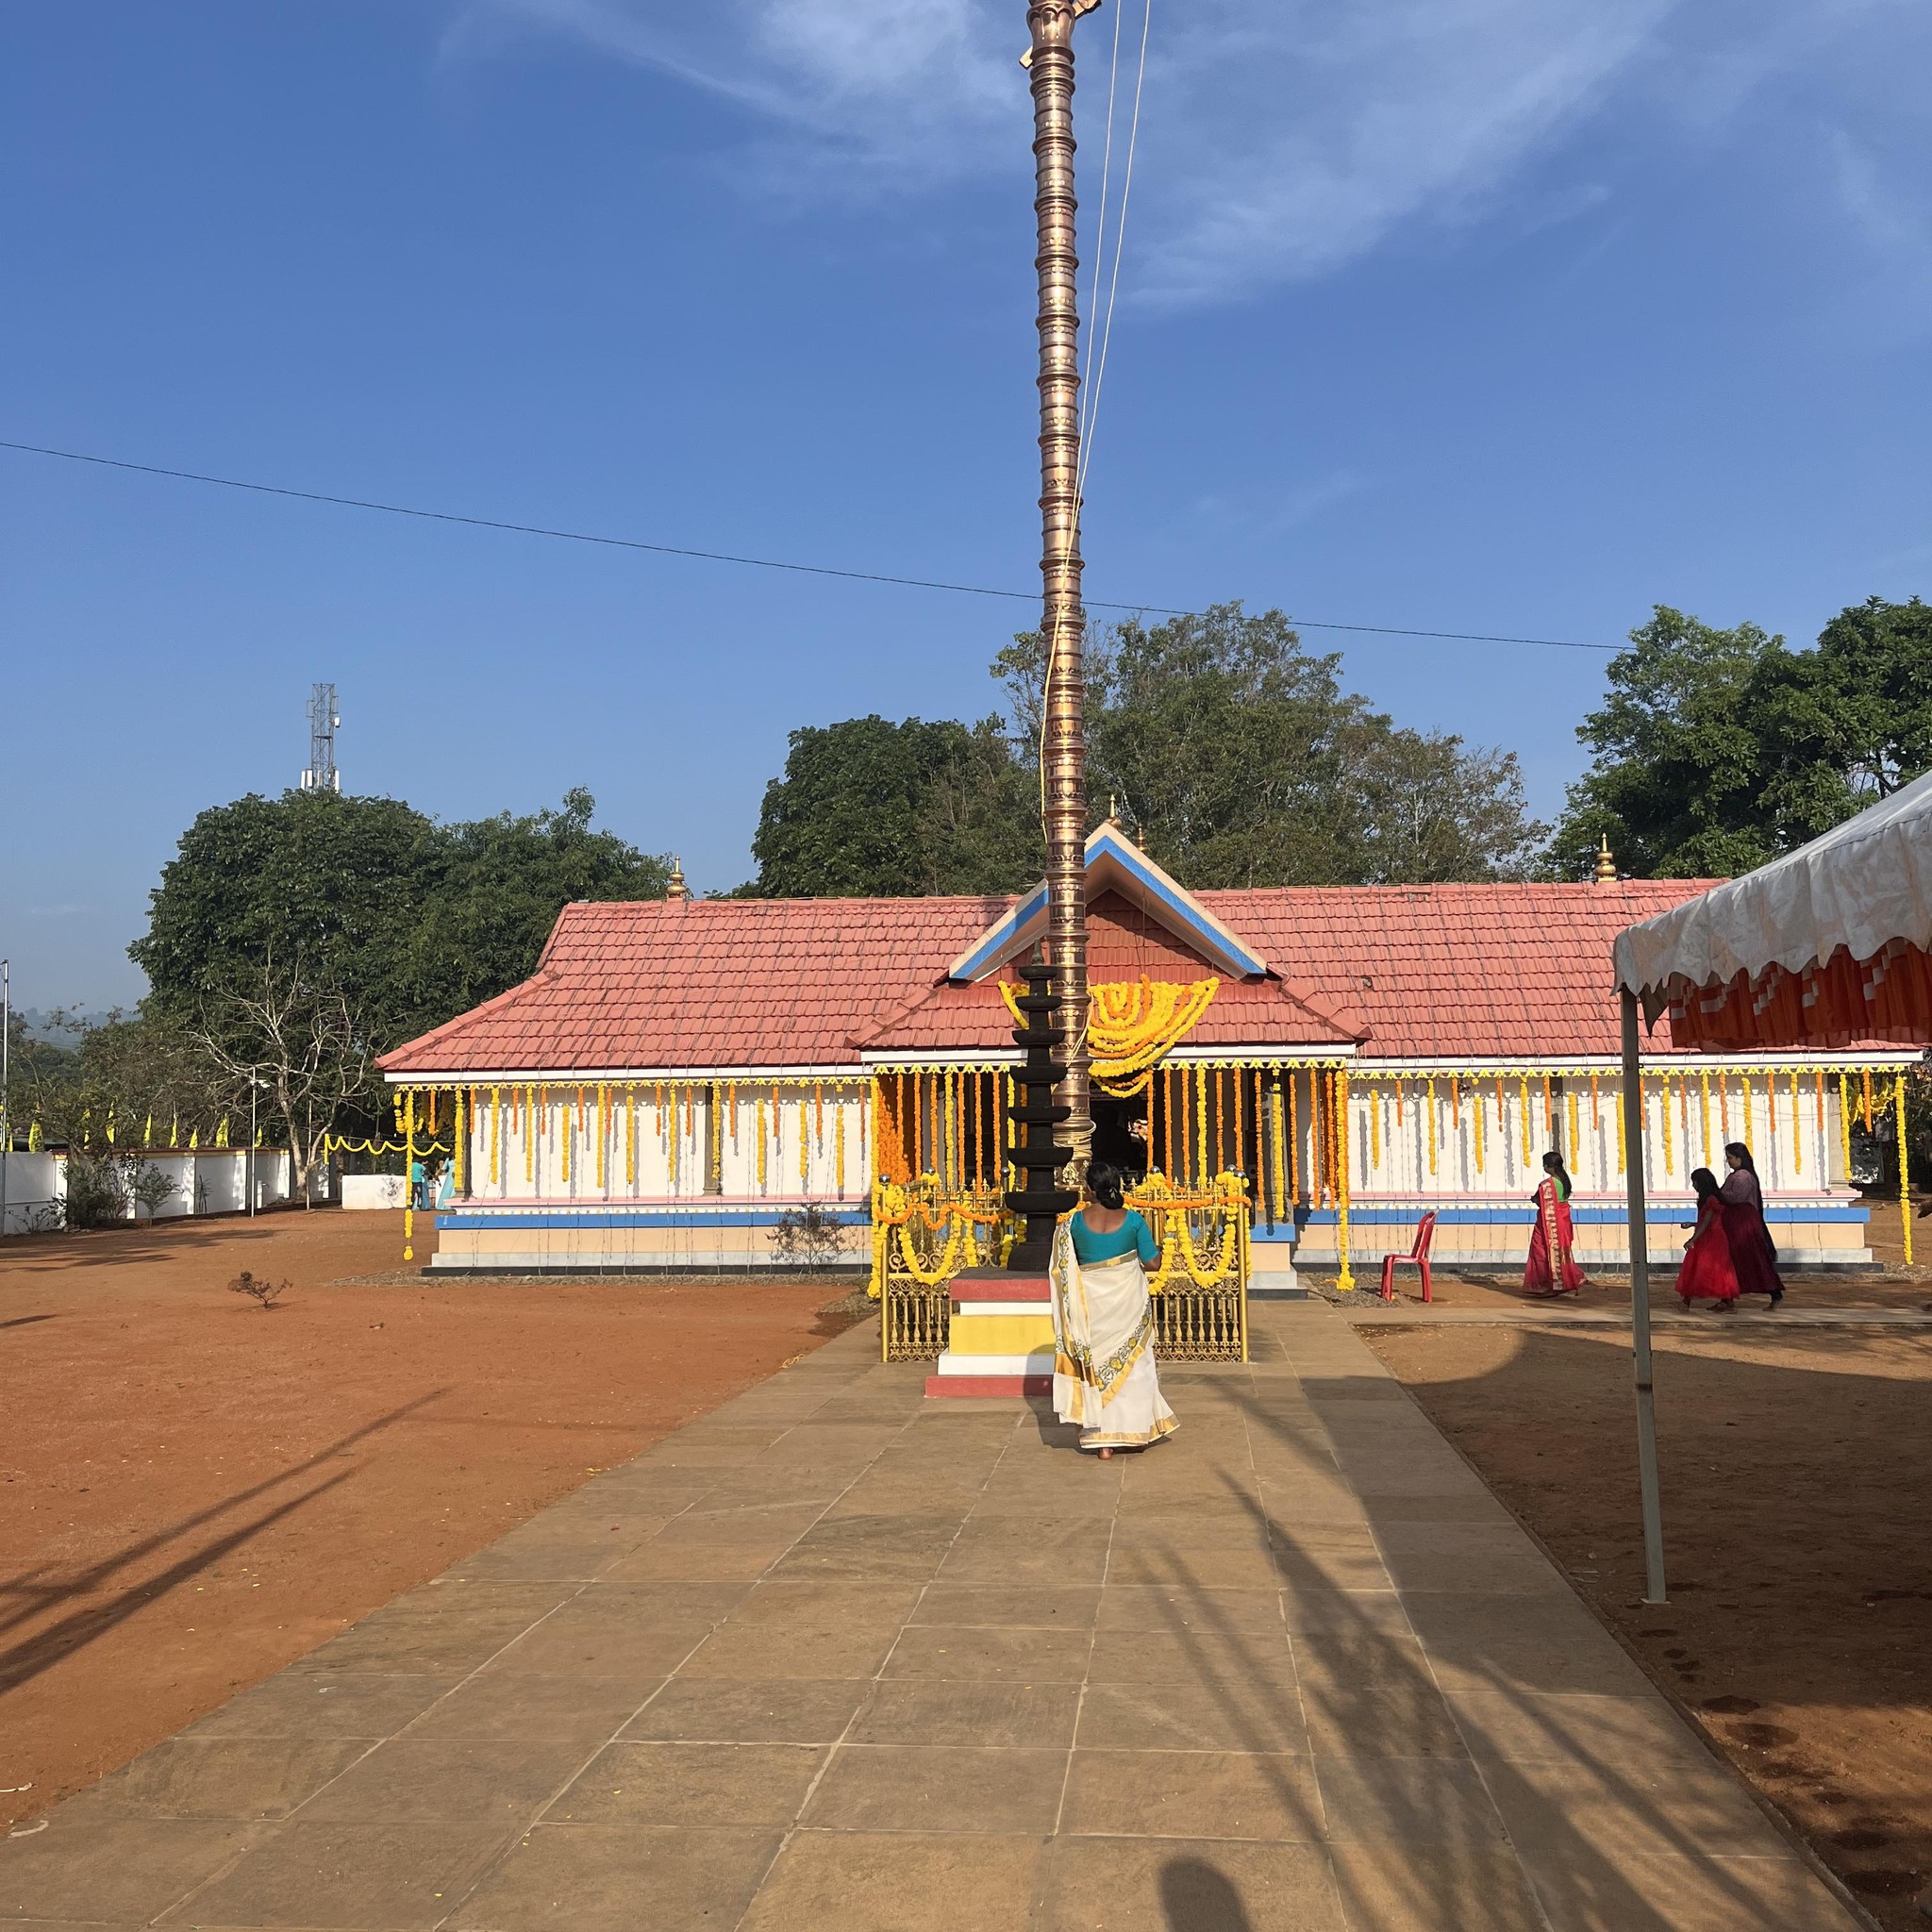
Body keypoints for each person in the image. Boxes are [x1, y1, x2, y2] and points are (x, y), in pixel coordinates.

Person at [1049, 1159, 1178, 1458]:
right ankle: (1133, 1435)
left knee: (1096, 1368)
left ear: (1089, 1189)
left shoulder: (1074, 1224)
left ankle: (1101, 1442)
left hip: (1091, 1307)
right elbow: (1153, 1263)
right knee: (1135, 1368)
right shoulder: (1133, 1221)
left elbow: (1066, 1270)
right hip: (1128, 1303)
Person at [1719, 1141, 1786, 1308]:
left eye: (1730, 1158)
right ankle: (1727, 1298)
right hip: (1738, 1223)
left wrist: (1716, 1194)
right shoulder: (1739, 1175)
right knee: (1737, 1260)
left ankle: (1774, 1293)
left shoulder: (1743, 1177)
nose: (1729, 1161)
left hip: (1743, 1224)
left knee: (1752, 1259)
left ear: (1740, 1158)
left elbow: (1735, 1197)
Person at [1524, 1151, 1589, 1297]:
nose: (1543, 1168)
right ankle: (1572, 1279)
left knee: (1540, 1251)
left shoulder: (1547, 1185)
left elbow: (1541, 1202)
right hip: (1563, 1222)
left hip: (1548, 1225)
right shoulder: (1565, 1181)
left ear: (1549, 1166)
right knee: (1560, 1252)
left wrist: (1534, 1200)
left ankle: (1550, 1285)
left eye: (1544, 1165)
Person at [1676, 1167, 1740, 1310]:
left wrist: (1692, 1239)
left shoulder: (1711, 1200)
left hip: (1712, 1238)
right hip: (1710, 1235)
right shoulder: (1709, 1200)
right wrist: (1692, 1224)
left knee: (1701, 1267)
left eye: (1695, 1182)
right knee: (1713, 1268)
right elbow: (1705, 1221)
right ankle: (1727, 1301)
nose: (1693, 1185)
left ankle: (1687, 1301)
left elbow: (1707, 1222)